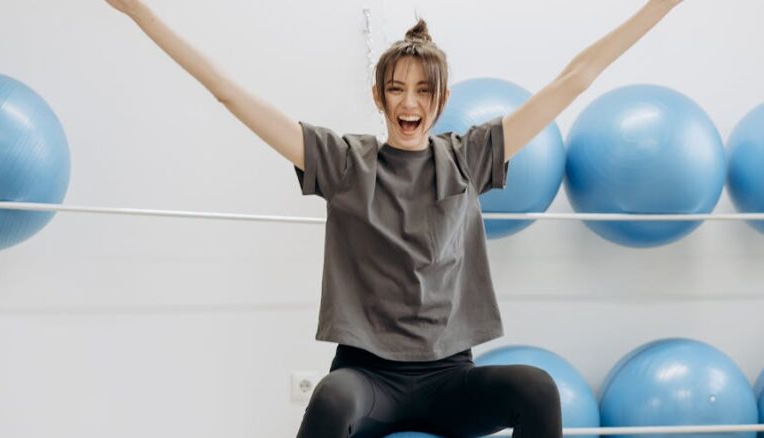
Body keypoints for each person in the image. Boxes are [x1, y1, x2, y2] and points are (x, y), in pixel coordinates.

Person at [104, 1, 685, 436]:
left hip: (450, 378)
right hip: (369, 378)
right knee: (331, 399)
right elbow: (228, 93)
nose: (410, 103)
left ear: (442, 98)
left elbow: (574, 78)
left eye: (423, 91)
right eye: (397, 89)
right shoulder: (343, 163)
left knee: (535, 388)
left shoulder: (469, 158)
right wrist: (137, 13)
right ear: (380, 96)